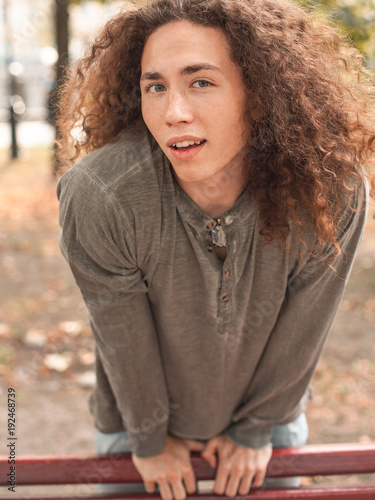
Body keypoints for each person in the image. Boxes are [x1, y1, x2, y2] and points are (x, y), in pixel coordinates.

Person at [56, 0, 375, 498]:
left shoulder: (330, 190)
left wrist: (255, 430)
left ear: (261, 93)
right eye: (154, 86)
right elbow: (121, 334)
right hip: (139, 432)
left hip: (266, 428)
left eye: (200, 81)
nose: (173, 112)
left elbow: (305, 328)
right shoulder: (102, 194)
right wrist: (150, 438)